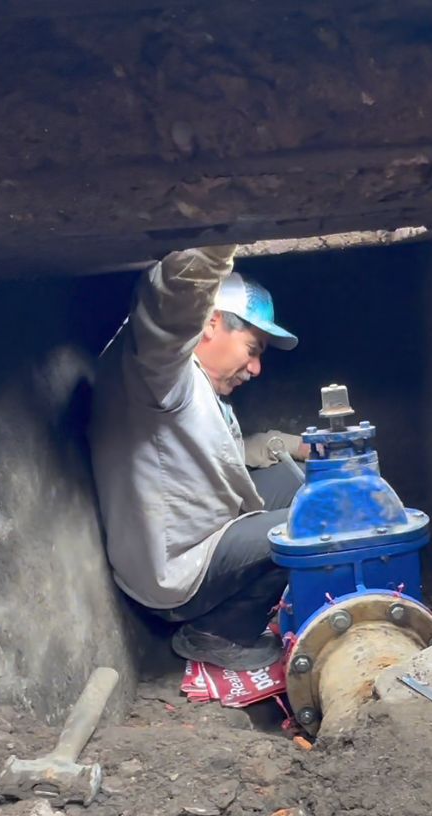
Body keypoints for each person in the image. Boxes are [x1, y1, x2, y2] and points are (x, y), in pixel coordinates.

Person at [89, 245, 306, 670]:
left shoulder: (196, 387)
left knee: (300, 485)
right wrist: (209, 245)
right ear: (209, 323)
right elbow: (168, 311)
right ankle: (217, 632)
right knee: (308, 526)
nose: (256, 368)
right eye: (253, 348)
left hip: (204, 535)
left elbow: (217, 454)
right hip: (175, 574)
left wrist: (294, 445)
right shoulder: (161, 376)